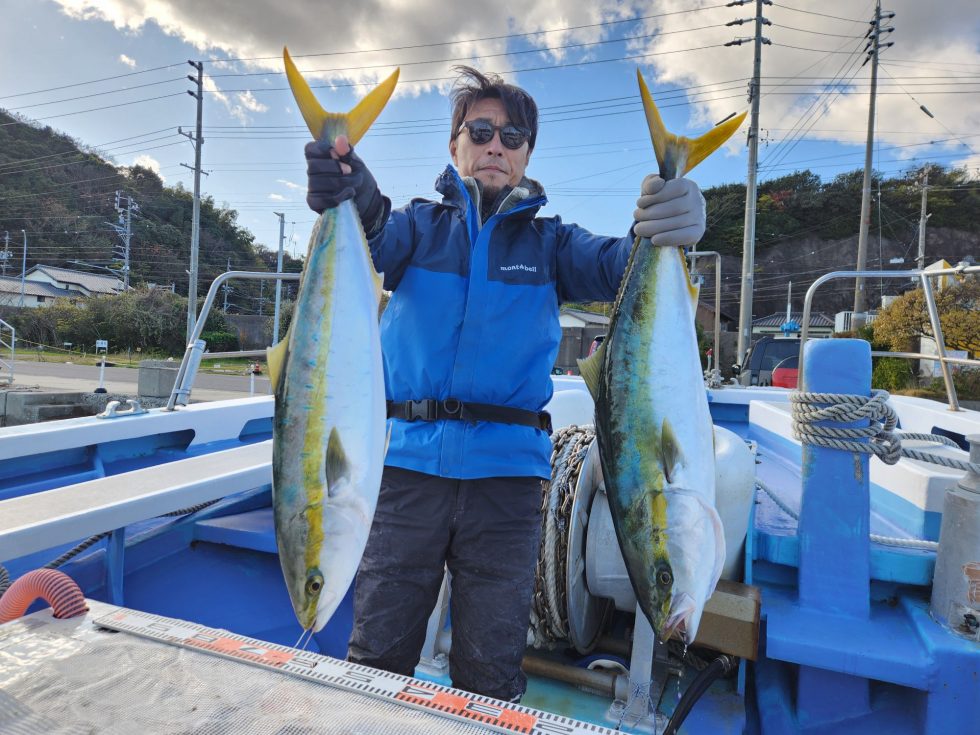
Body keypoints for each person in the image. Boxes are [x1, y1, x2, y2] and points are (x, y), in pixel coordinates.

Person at [305, 66, 706, 702]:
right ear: (455, 145)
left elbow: (623, 266)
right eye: (481, 130)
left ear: (526, 155)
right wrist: (348, 184)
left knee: (490, 671)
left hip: (507, 487)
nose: (497, 145)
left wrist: (668, 220)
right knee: (375, 656)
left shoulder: (552, 245)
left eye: (512, 136)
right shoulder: (418, 229)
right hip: (408, 474)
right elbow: (370, 229)